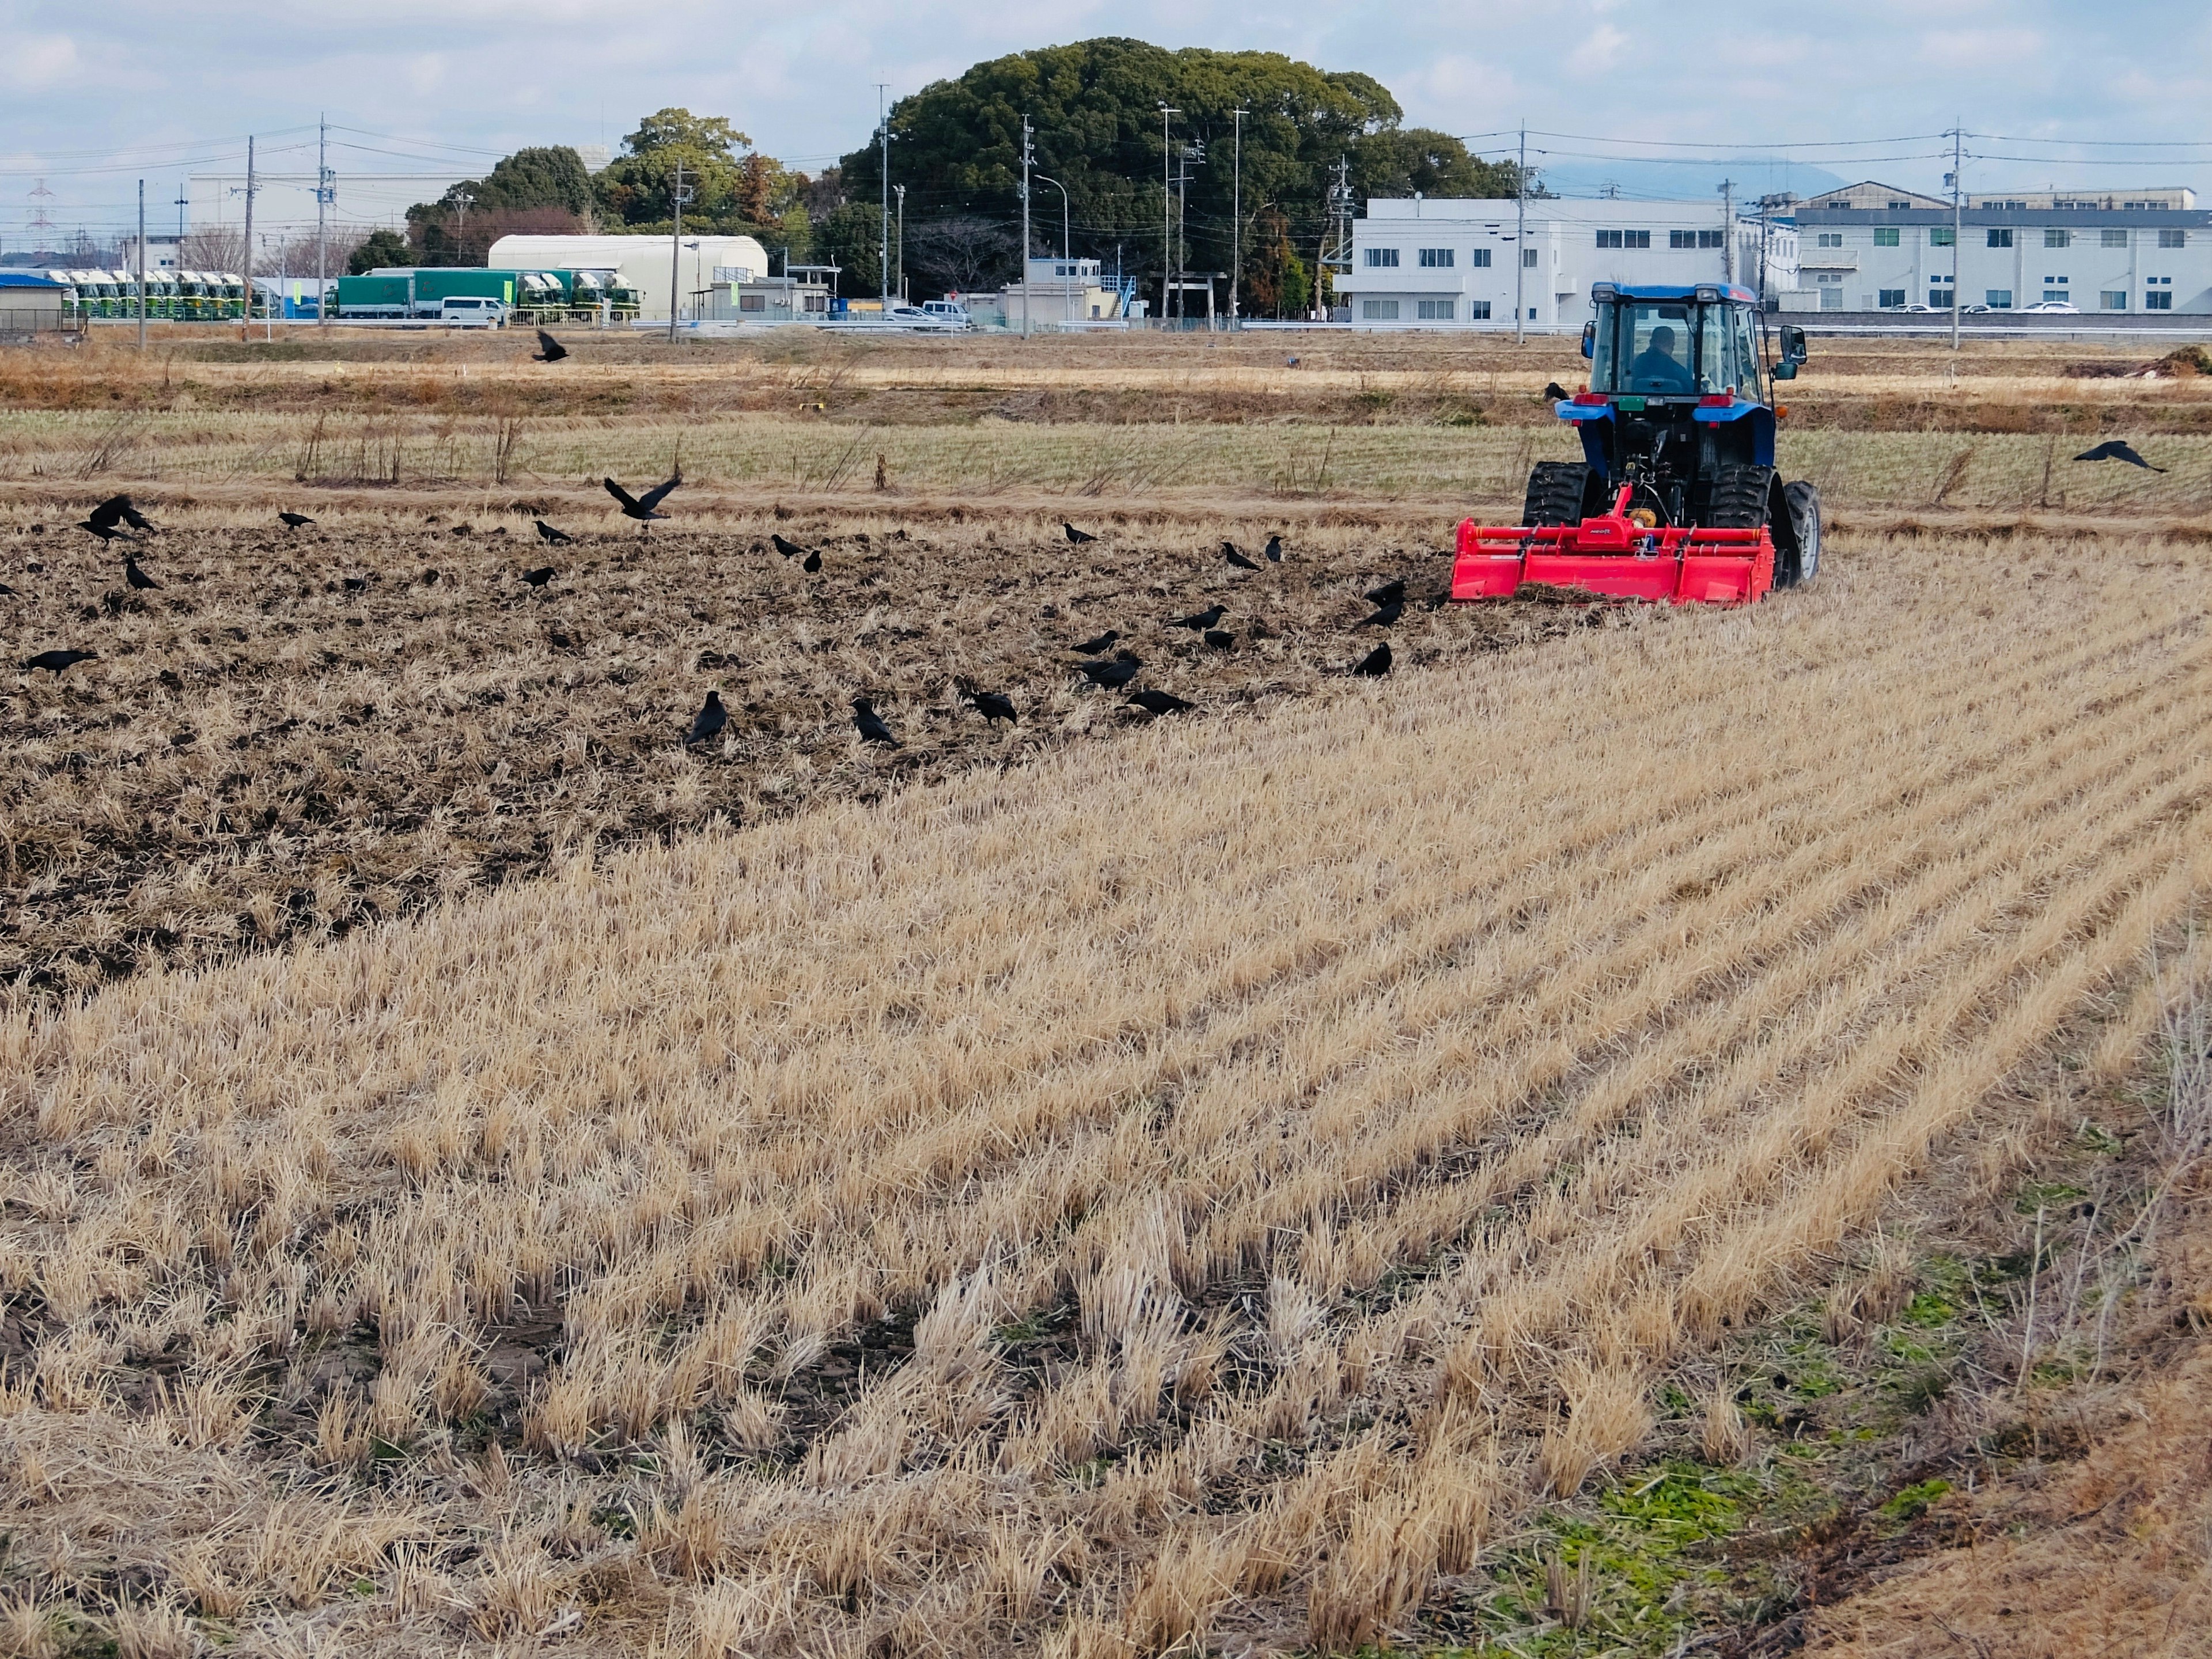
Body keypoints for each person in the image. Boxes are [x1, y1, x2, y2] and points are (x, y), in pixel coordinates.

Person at [1628, 322, 1695, 393]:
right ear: (1672, 345)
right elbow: (1691, 390)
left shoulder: (1638, 363)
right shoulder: (1677, 371)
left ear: (1651, 342)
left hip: (1637, 403)